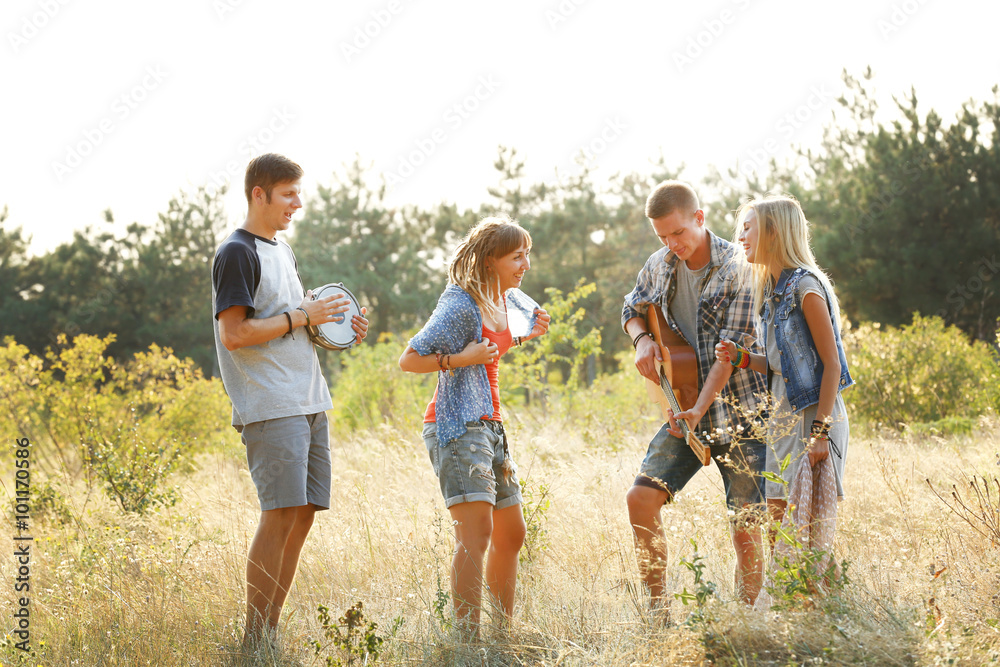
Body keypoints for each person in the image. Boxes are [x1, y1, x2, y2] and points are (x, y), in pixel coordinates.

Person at [211, 153, 369, 648]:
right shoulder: (236, 252)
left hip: (308, 396)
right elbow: (235, 333)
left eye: (298, 194)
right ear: (259, 194)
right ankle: (253, 641)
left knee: (302, 513)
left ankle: (270, 632)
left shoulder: (282, 249)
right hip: (270, 402)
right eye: (288, 194)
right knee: (278, 512)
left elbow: (290, 320)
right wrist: (304, 316)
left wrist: (336, 330)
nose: (297, 204)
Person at [398, 215, 549, 638]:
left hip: (490, 427)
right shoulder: (459, 303)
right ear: (489, 261)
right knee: (476, 533)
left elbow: (491, 348)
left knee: (512, 532)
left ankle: (501, 635)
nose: (525, 265)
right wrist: (460, 359)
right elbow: (409, 359)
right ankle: (467, 642)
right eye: (517, 257)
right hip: (457, 426)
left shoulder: (504, 300)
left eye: (527, 255)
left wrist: (522, 338)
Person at [622, 180, 768, 611]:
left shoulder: (739, 267)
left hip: (741, 413)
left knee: (746, 524)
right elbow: (631, 309)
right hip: (685, 407)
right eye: (663, 236)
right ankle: (659, 613)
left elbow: (729, 351)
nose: (672, 243)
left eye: (678, 233)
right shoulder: (660, 264)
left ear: (699, 219)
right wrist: (642, 341)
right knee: (640, 498)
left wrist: (697, 410)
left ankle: (747, 623)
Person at [715, 194, 852, 548]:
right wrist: (741, 358)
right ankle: (801, 604)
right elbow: (780, 367)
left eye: (749, 228)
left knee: (805, 534)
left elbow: (832, 364)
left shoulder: (806, 288)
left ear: (774, 232)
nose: (741, 238)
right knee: (781, 530)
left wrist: (820, 433)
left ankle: (822, 603)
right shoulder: (771, 292)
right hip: (782, 417)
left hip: (811, 418)